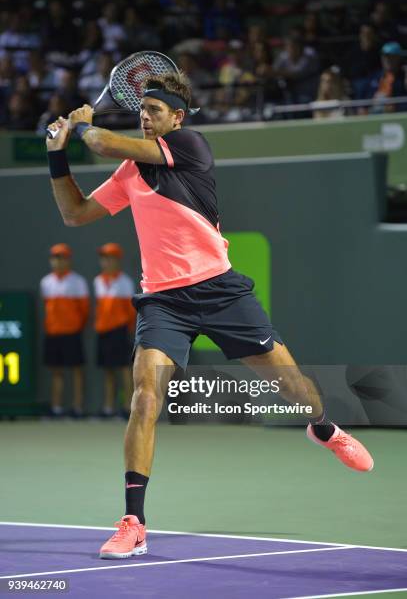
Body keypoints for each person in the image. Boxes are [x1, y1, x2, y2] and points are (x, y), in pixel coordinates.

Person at [45, 70, 374, 560]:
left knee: (293, 386)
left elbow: (105, 143)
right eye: (142, 111)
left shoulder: (191, 146)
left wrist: (85, 126)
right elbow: (74, 213)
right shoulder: (130, 175)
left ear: (176, 117)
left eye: (154, 111)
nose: (146, 117)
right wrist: (55, 154)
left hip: (221, 291)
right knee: (144, 398)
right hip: (163, 301)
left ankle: (323, 427)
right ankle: (134, 522)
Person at [40, 243, 89, 418]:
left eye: (61, 258)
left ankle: (77, 408)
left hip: (72, 333)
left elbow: (84, 310)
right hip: (53, 333)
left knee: (76, 370)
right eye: (55, 258)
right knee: (56, 371)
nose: (58, 262)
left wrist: (75, 326)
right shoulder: (45, 282)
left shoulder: (78, 282)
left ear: (68, 260)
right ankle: (57, 407)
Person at [94, 243, 136, 419]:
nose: (106, 261)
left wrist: (129, 330)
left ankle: (128, 408)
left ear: (117, 260)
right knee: (108, 370)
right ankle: (109, 408)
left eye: (109, 257)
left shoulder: (125, 282)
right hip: (103, 331)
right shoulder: (97, 281)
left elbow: (131, 311)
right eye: (103, 258)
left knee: (125, 369)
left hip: (120, 331)